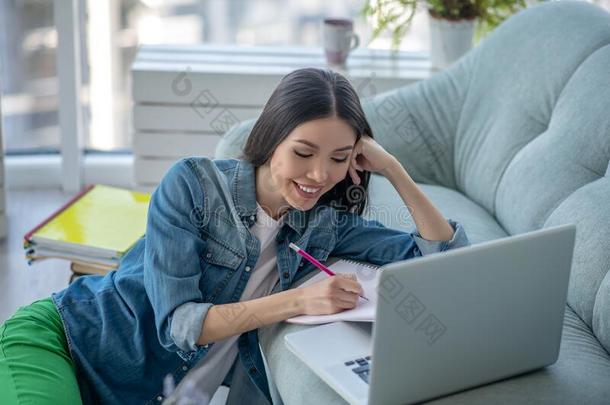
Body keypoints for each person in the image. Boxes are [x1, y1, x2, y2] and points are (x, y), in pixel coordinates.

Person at [0, 67, 469, 404]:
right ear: (271, 138)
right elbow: (180, 325)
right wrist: (300, 301)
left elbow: (441, 255)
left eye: (340, 157)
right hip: (66, 345)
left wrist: (393, 168)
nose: (320, 174)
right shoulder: (193, 186)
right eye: (303, 152)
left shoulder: (327, 224)